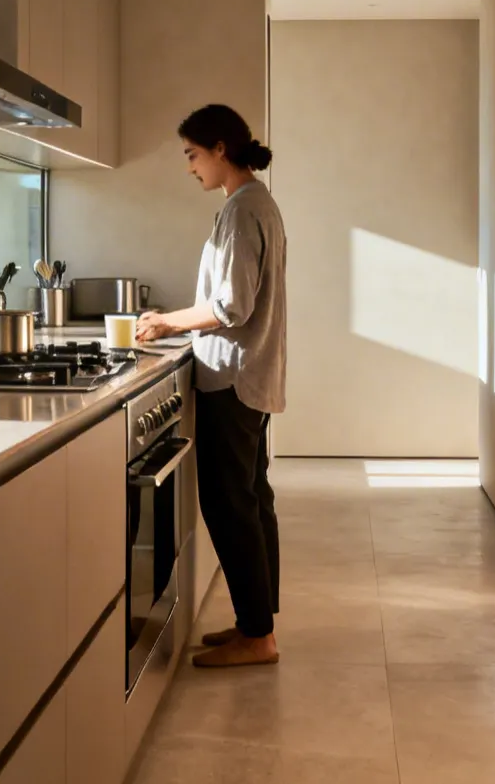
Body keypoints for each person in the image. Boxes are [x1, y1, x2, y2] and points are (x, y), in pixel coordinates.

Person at [136, 105, 287, 668]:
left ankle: (258, 635)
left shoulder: (244, 210)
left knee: (231, 507)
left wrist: (168, 321)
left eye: (192, 155)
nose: (190, 167)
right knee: (252, 500)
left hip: (234, 378)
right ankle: (258, 623)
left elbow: (231, 305)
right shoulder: (251, 205)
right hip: (248, 374)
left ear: (220, 149)